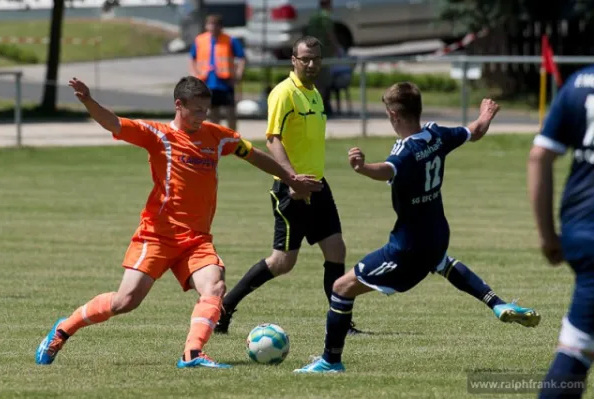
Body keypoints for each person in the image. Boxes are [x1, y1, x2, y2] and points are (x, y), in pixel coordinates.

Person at [35, 76, 322, 369]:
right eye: (196, 110)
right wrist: (88, 101)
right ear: (178, 105)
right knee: (126, 301)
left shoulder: (216, 136)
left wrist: (290, 178)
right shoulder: (158, 135)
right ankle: (63, 329)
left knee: (214, 287)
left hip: (197, 239)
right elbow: (114, 123)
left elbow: (252, 154)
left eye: (205, 110)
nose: (202, 116)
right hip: (158, 235)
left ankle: (192, 353)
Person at [294, 82, 541, 373]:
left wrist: (361, 167)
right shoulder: (437, 134)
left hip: (406, 247)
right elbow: (474, 130)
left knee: (341, 289)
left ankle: (330, 361)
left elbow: (388, 169)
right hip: (436, 234)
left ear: (395, 115)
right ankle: (496, 303)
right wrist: (486, 113)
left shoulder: (406, 151)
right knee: (442, 262)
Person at [215, 36, 364, 336]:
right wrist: (291, 179)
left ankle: (342, 324)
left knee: (336, 250)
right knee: (282, 262)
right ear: (293, 60)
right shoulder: (284, 93)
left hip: (318, 184)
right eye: (305, 59)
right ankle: (225, 306)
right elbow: (272, 139)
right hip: (291, 188)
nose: (311, 64)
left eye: (316, 59)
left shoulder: (315, 94)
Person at [529, 66, 594, 398]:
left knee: (576, 351)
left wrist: (548, 236)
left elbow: (539, 156)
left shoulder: (579, 84)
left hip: (581, 232)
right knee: (574, 353)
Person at [189, 14, 245, 131]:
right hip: (207, 81)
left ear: (220, 26)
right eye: (210, 24)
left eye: (215, 25)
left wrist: (238, 74)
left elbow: (241, 57)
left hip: (225, 81)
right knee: (213, 111)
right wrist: (195, 73)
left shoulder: (229, 40)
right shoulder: (200, 40)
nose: (212, 27)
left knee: (230, 111)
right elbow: (192, 58)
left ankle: (233, 136)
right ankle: (216, 136)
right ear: (206, 26)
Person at [305, 0, 339, 117]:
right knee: (323, 84)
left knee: (313, 83)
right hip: (323, 54)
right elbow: (329, 34)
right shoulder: (326, 17)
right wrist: (337, 48)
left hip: (311, 53)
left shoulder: (313, 17)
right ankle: (320, 108)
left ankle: (312, 108)